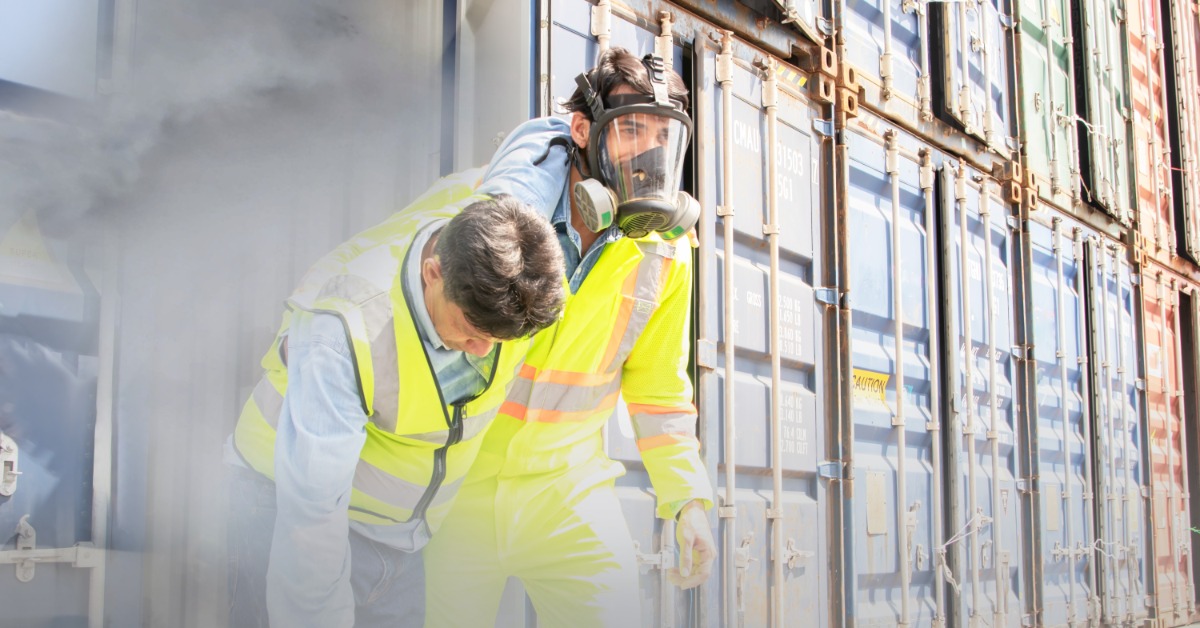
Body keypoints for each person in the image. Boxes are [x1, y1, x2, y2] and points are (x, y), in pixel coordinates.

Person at [424, 48, 716, 627]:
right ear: (583, 129)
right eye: (631, 129)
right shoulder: (492, 219)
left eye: (664, 135)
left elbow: (659, 385)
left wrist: (688, 500)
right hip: (460, 488)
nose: (649, 151)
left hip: (569, 492)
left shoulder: (665, 251)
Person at [225, 171, 566, 628]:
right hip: (284, 501)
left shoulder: (503, 241)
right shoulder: (344, 328)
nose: (485, 350)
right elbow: (311, 521)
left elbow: (543, 157)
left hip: (398, 536)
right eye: (471, 331)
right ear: (433, 275)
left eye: (499, 337)